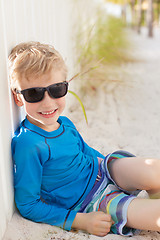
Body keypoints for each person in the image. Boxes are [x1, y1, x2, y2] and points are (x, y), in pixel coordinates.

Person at [9, 41, 160, 237]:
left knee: (154, 169)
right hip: (91, 201)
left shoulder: (65, 123)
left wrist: (114, 170)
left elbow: (85, 151)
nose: (47, 102)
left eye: (56, 89)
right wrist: (80, 221)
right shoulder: (29, 144)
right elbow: (28, 205)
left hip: (103, 170)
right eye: (34, 93)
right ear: (18, 97)